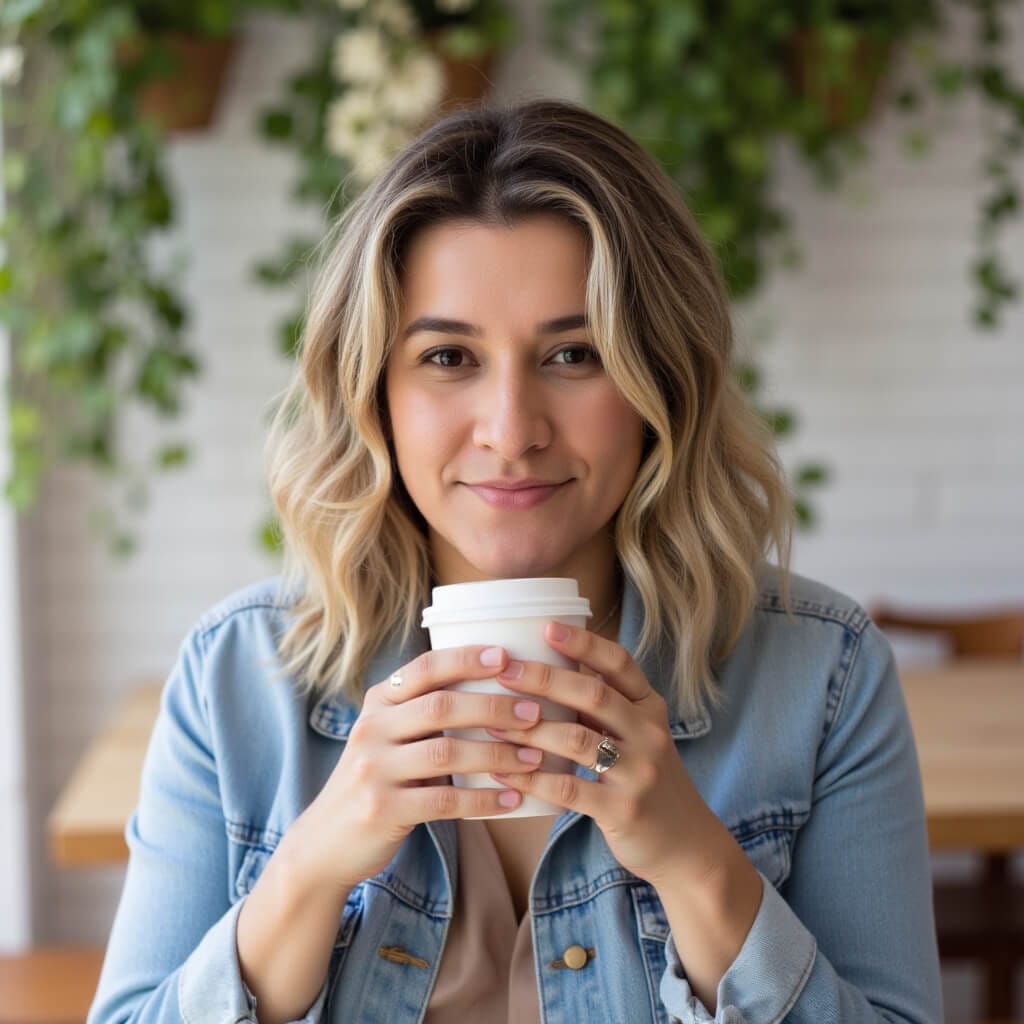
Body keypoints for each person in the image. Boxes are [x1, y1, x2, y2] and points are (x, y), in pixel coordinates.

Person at [88, 98, 942, 1024]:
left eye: (574, 354)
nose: (511, 433)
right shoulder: (235, 680)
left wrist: (696, 862)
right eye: (449, 357)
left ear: (661, 381)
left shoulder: (822, 678)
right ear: (374, 392)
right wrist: (312, 864)